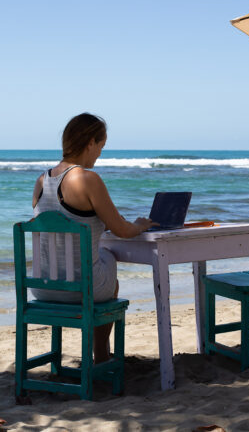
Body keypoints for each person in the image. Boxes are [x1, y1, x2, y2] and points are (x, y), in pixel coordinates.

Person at [32, 112, 157, 363]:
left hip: (42, 288)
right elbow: (122, 230)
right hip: (81, 290)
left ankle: (100, 355)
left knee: (100, 260)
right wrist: (140, 225)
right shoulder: (87, 178)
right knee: (108, 262)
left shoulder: (41, 181)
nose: (100, 153)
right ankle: (101, 355)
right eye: (101, 146)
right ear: (90, 142)